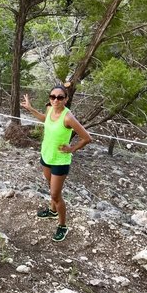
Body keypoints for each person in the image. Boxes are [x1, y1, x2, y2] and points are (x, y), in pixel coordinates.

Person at [21, 84, 92, 242]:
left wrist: (72, 148)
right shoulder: (50, 109)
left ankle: (62, 225)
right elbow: (46, 120)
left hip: (60, 160)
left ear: (66, 99)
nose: (56, 100)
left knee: (55, 194)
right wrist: (31, 109)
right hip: (46, 155)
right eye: (53, 97)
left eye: (60, 97)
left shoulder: (68, 118)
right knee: (50, 186)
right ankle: (52, 211)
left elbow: (87, 138)